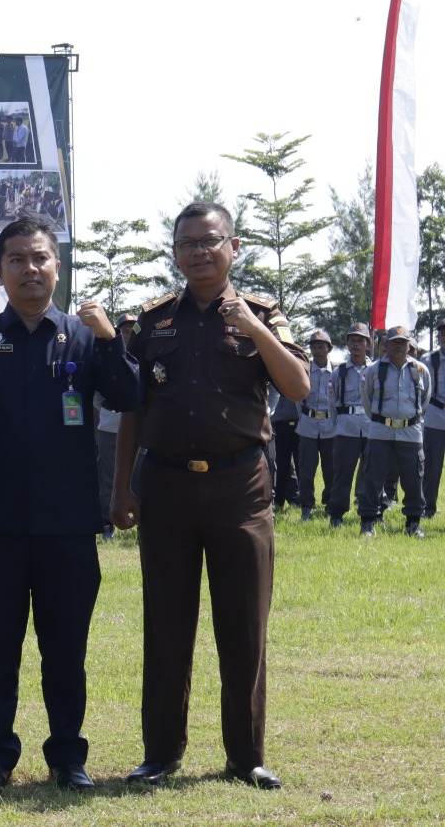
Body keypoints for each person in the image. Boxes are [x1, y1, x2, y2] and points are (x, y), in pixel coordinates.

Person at [0, 215, 141, 792]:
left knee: (65, 650)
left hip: (69, 526)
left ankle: (68, 757)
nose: (30, 268)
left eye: (41, 258)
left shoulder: (84, 336)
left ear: (58, 267)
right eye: (17, 259)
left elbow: (128, 397)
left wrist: (110, 340)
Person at [111, 202, 308, 790]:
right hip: (167, 486)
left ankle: (245, 756)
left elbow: (297, 386)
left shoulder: (263, 315)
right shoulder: (152, 322)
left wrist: (255, 330)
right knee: (167, 625)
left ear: (234, 246)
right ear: (174, 252)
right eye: (187, 243)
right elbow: (133, 411)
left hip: (240, 487)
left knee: (244, 626)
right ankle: (161, 752)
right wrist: (122, 488)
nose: (199, 251)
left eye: (210, 241)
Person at [359, 326, 431, 538]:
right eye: (394, 342)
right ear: (386, 345)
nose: (398, 346)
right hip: (380, 430)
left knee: (413, 478)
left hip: (410, 431)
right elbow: (367, 400)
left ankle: (413, 523)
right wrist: (383, 420)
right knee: (373, 477)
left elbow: (424, 400)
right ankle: (368, 522)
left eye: (403, 342)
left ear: (409, 345)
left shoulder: (420, 370)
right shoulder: (373, 370)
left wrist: (409, 420)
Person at [94, 314, 140, 539]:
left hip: (141, 430)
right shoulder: (108, 352)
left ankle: (141, 520)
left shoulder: (142, 354)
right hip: (110, 426)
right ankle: (106, 525)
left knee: (141, 476)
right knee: (107, 478)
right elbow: (95, 393)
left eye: (133, 329)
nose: (128, 333)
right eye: (125, 329)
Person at [327, 323, 374, 528]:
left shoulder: (376, 370)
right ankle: (337, 513)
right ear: (347, 344)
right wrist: (339, 424)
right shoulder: (339, 373)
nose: (356, 344)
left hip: (372, 426)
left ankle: (372, 513)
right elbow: (332, 403)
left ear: (367, 344)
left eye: (360, 340)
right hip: (346, 427)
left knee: (373, 473)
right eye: (352, 340)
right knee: (343, 473)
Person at [295, 330, 337, 520]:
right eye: (313, 346)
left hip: (330, 425)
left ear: (329, 348)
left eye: (321, 346)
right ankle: (306, 506)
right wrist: (305, 416)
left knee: (331, 469)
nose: (317, 350)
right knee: (306, 469)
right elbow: (297, 398)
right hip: (308, 425)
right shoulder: (304, 370)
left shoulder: (337, 372)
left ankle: (329, 503)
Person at [423, 320, 445, 519]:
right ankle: (428, 508)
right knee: (432, 466)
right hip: (434, 418)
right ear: (439, 337)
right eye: (443, 334)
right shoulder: (428, 361)